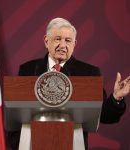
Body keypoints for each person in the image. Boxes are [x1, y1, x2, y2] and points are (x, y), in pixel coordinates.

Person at [9, 18, 130, 150]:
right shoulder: (28, 69)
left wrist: (116, 97)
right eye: (57, 39)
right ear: (46, 41)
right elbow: (16, 115)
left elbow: (103, 115)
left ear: (74, 44)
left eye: (68, 41)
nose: (62, 45)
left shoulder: (88, 72)